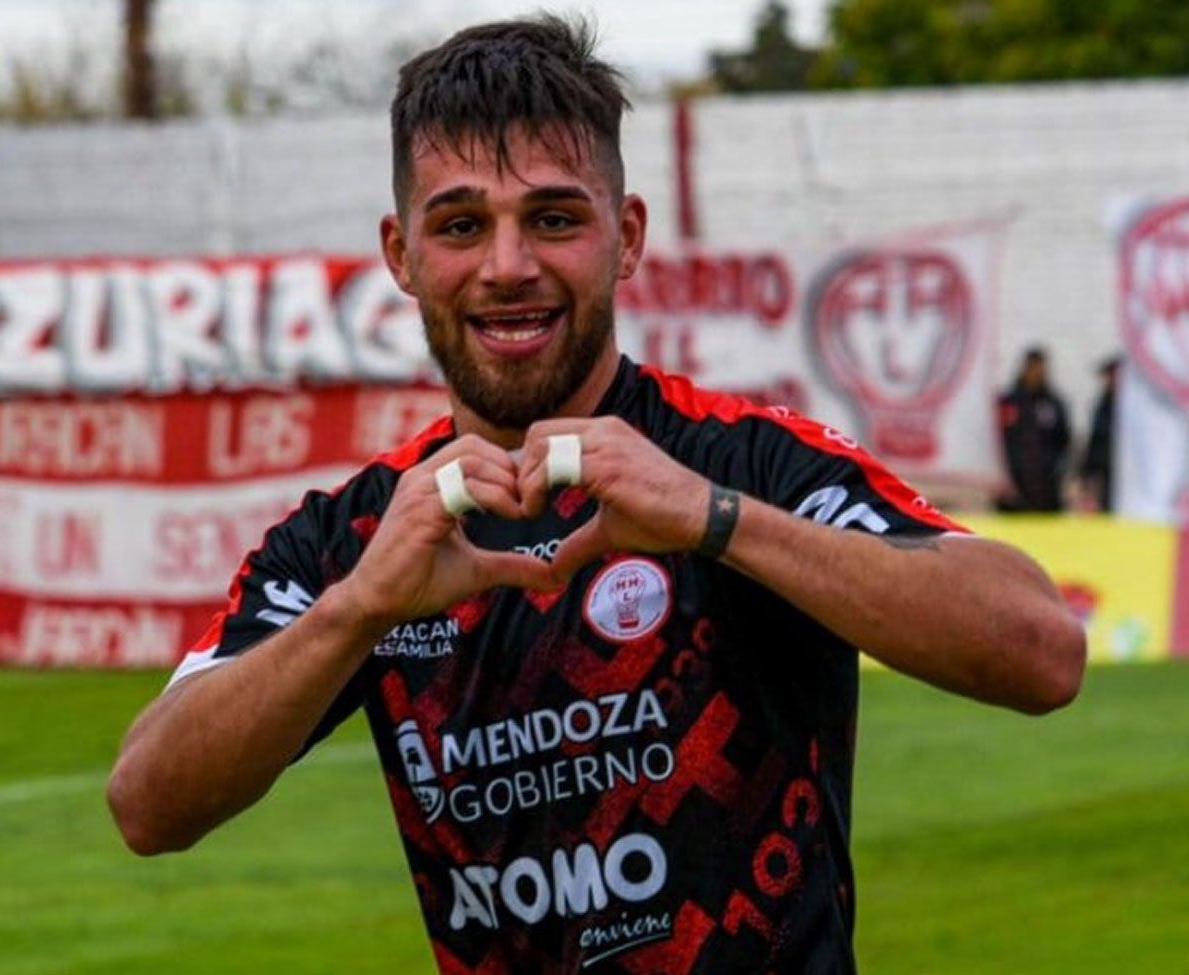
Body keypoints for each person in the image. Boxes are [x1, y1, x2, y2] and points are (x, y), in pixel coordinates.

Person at [107, 17, 1086, 974]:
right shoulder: (360, 536)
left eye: (554, 218)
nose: (507, 267)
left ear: (624, 237)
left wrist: (713, 520)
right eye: (459, 225)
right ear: (402, 255)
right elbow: (147, 804)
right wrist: (359, 608)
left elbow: (1041, 653)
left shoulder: (739, 463)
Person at [996, 346, 1072, 512]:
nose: (1036, 373)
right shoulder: (1008, 403)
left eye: (1040, 368)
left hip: (1046, 486)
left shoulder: (1053, 403)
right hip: (1014, 482)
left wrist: (1056, 469)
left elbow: (1064, 440)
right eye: (1033, 367)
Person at [1078, 356, 1120, 512]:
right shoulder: (1102, 405)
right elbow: (1094, 442)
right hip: (1105, 475)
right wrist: (1086, 473)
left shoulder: (1133, 408)